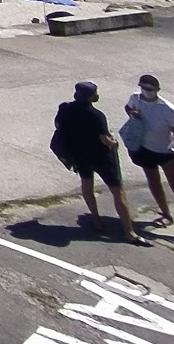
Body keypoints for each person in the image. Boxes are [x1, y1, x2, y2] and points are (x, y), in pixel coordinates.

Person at [53, 81, 148, 245]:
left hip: (80, 155)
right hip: (101, 157)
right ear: (90, 96)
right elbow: (104, 139)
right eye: (95, 93)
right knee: (118, 192)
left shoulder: (65, 108)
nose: (97, 95)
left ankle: (97, 220)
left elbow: (58, 125)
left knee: (87, 185)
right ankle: (129, 232)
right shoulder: (96, 115)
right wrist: (114, 143)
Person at [124, 74, 174, 250]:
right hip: (145, 149)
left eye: (150, 89)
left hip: (166, 153)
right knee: (153, 182)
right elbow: (128, 107)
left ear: (157, 90)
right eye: (143, 88)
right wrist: (132, 113)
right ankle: (166, 214)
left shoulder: (167, 109)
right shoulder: (135, 98)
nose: (146, 92)